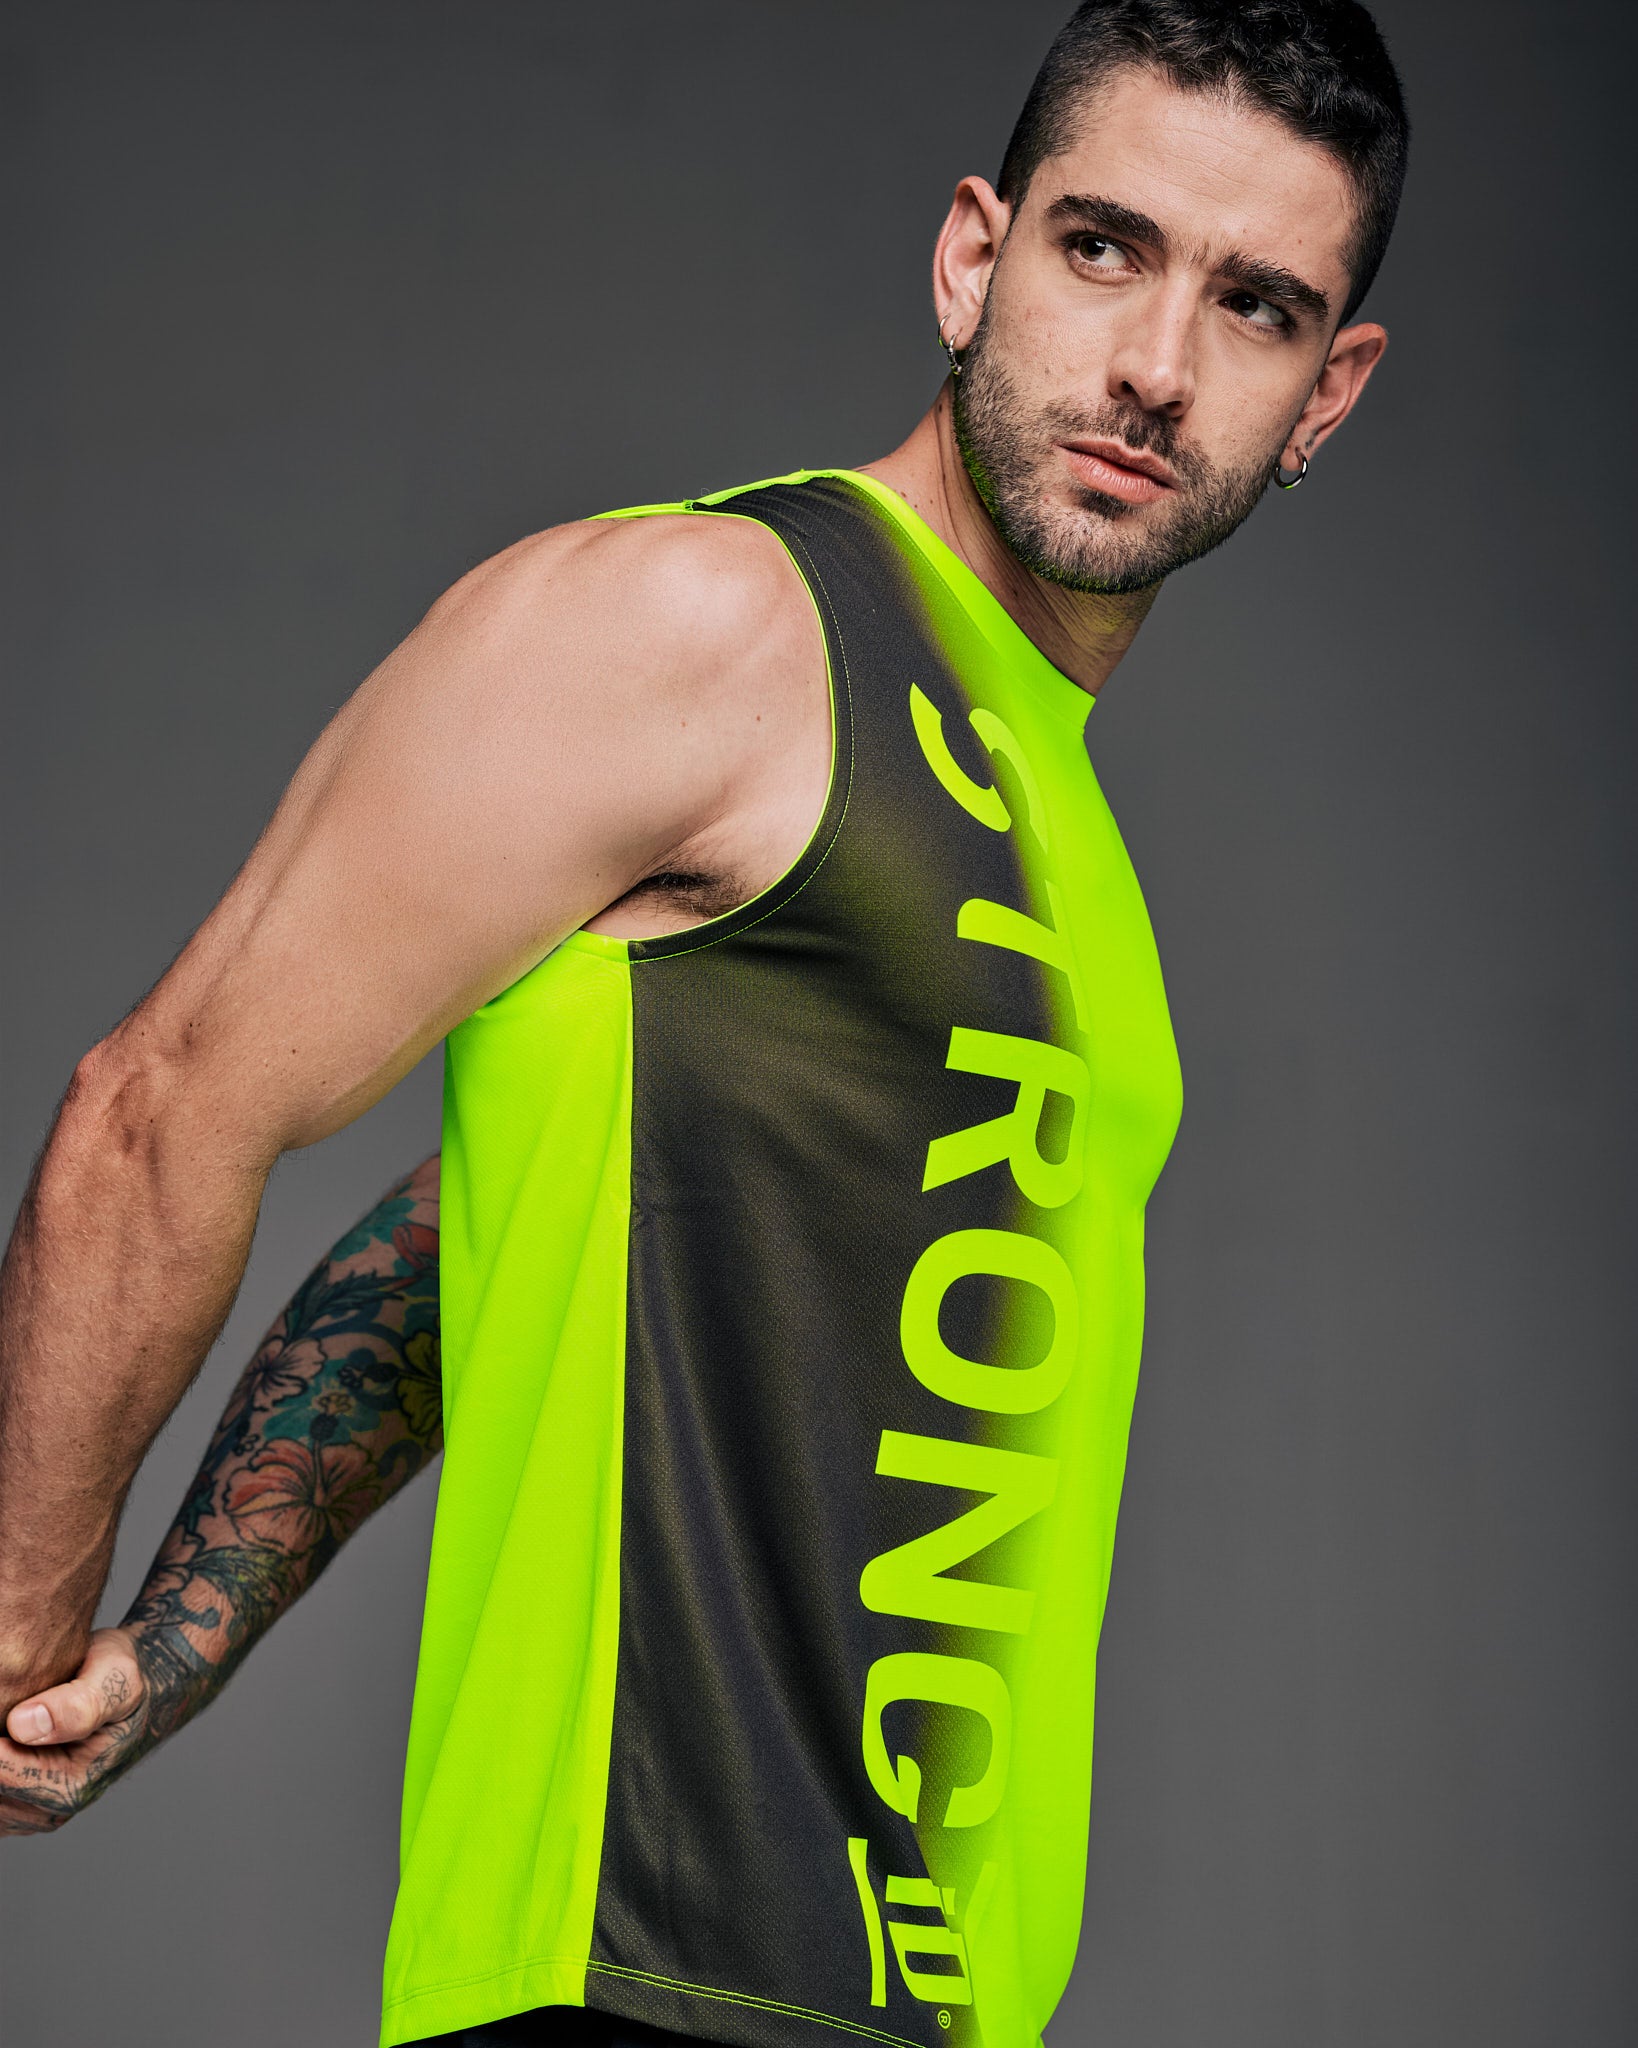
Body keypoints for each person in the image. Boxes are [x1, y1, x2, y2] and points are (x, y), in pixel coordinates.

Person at [0, 4, 1409, 2045]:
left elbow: (514, 1211)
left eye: (1255, 304)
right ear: (973, 257)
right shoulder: (720, 625)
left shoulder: (1068, 835)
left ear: (1325, 394)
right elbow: (162, 1101)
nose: (1157, 366)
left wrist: (190, 1631)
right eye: (1104, 249)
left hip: (925, 2005)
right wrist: (23, 1652)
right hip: (640, 1972)